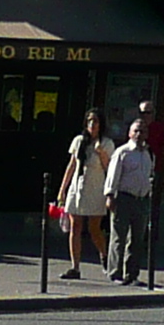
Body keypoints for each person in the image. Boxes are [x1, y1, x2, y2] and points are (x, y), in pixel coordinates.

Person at [54, 110, 112, 280]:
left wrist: (101, 153)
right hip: (77, 188)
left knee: (94, 228)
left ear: (101, 124)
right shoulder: (79, 141)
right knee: (75, 227)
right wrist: (62, 190)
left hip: (96, 189)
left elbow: (109, 168)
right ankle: (75, 267)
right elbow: (71, 165)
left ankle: (104, 256)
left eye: (95, 121)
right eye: (89, 121)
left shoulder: (106, 143)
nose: (92, 125)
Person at [104, 115, 158, 285]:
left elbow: (150, 174)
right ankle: (115, 273)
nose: (139, 134)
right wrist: (110, 196)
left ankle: (132, 274)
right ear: (129, 133)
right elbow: (113, 176)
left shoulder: (148, 154)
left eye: (143, 131)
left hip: (141, 199)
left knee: (137, 238)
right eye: (136, 130)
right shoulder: (122, 152)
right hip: (123, 198)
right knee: (119, 237)